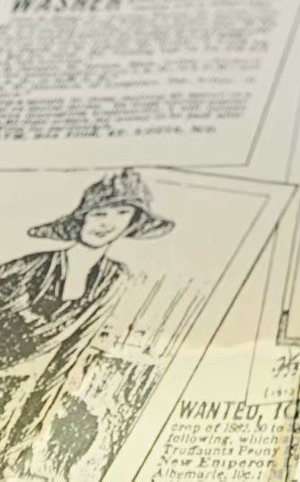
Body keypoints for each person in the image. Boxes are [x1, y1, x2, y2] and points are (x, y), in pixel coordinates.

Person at [0, 172, 172, 476]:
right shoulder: (25, 268)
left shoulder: (114, 277)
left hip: (36, 384)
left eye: (122, 213)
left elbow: (75, 345)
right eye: (99, 213)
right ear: (82, 217)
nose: (107, 223)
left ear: (132, 222)